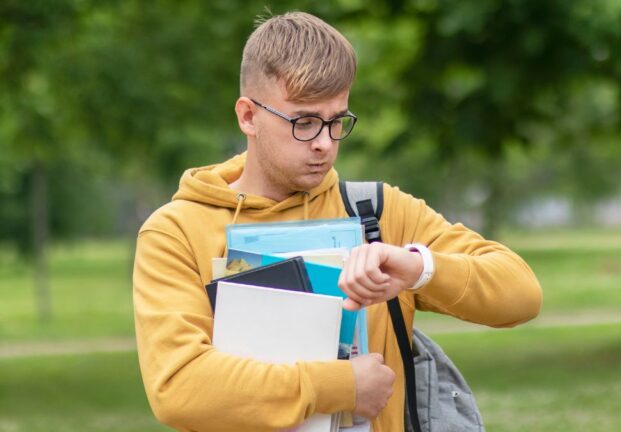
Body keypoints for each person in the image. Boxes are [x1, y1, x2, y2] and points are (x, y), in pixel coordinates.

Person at [133, 11, 542, 432]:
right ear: (248, 116)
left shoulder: (377, 212)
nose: (325, 144)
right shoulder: (175, 232)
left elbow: (521, 295)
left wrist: (418, 268)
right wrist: (342, 386)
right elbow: (179, 388)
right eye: (305, 122)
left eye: (337, 121)